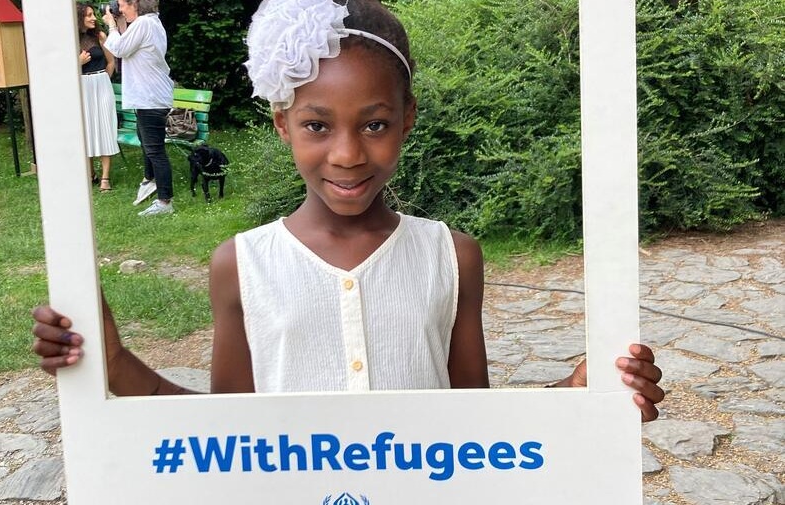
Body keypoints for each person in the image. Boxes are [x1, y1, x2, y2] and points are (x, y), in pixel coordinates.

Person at [33, 0, 664, 420]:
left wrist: (583, 397)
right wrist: (113, 362)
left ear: (407, 119)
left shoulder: (452, 257)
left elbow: (477, 431)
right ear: (283, 124)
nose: (346, 154)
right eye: (316, 125)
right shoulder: (242, 265)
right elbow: (222, 441)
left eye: (376, 123)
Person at [102, 0, 175, 216]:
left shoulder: (144, 23)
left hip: (150, 97)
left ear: (136, 4)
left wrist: (112, 26)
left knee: (155, 150)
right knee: (147, 144)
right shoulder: (150, 23)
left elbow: (119, 48)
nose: (121, 10)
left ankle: (165, 202)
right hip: (150, 96)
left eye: (123, 5)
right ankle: (149, 181)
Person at [78, 3, 119, 193]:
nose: (93, 18)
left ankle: (105, 177)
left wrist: (103, 80)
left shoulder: (100, 36)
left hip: (101, 85)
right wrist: (77, 64)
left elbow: (111, 62)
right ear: (79, 18)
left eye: (93, 14)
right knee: (86, 130)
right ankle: (89, 173)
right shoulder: (70, 40)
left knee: (104, 127)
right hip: (81, 87)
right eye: (88, 15)